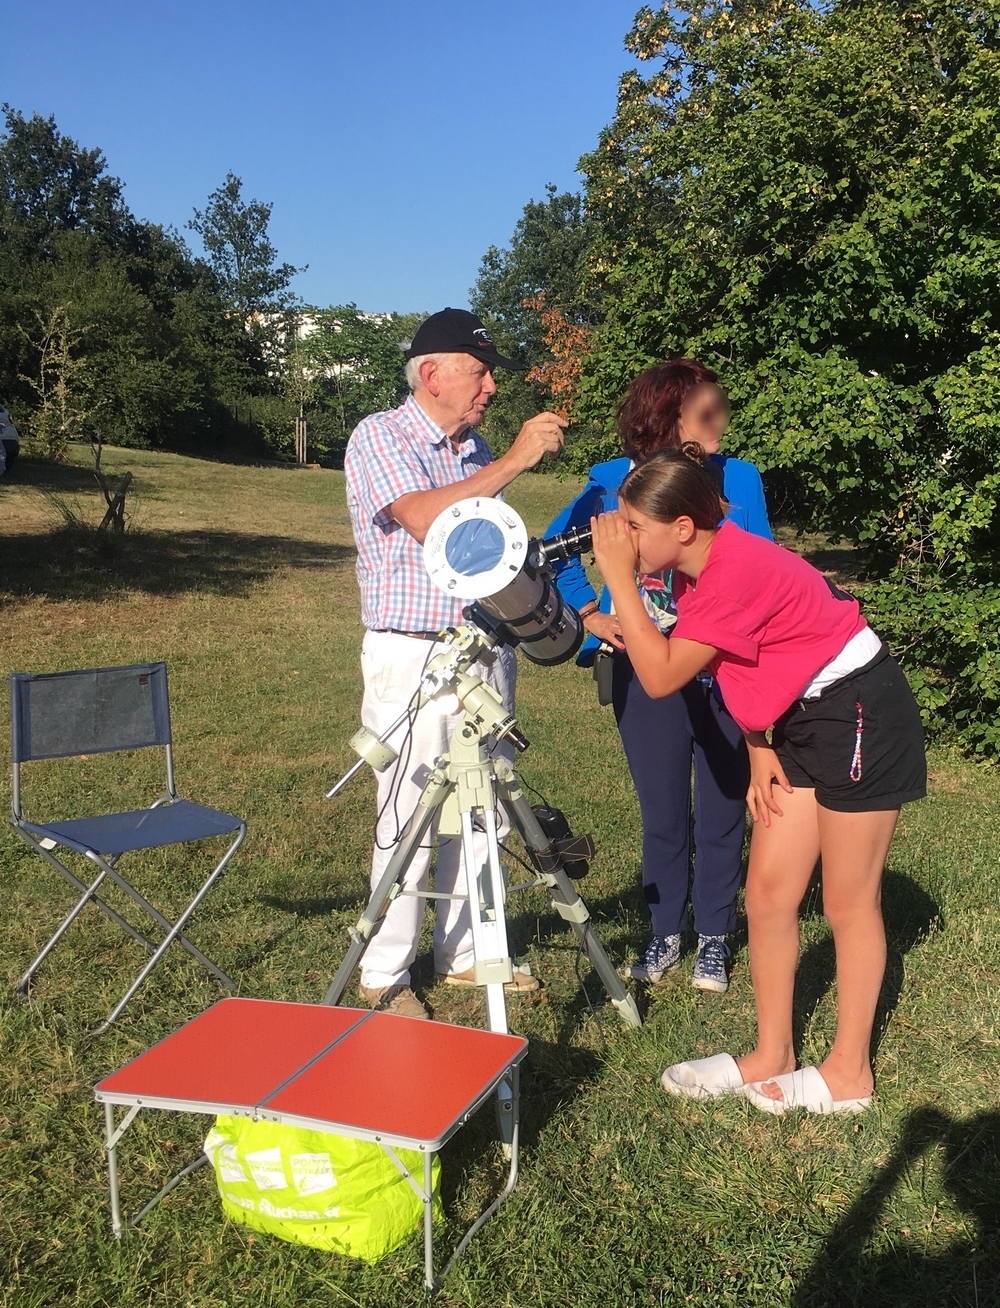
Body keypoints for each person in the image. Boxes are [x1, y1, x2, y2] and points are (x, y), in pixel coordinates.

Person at [590, 445, 926, 1114]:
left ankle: (850, 1074)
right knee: (769, 895)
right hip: (801, 718)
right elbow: (749, 658)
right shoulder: (696, 570)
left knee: (848, 902)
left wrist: (618, 580)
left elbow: (660, 676)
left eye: (634, 527)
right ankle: (773, 1053)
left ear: (682, 527)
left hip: (858, 709)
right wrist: (757, 741)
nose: (622, 538)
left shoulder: (733, 570)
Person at [343, 308, 567, 1019]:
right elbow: (423, 519)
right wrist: (515, 462)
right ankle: (385, 973)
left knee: (483, 806)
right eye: (480, 371)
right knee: (409, 812)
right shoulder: (381, 435)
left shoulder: (475, 450)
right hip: (414, 654)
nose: (492, 386)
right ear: (432, 373)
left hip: (481, 648)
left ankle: (467, 952)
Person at [545, 360, 771, 994]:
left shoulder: (740, 479)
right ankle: (665, 929)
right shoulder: (612, 482)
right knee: (664, 811)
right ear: (667, 415)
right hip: (642, 672)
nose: (721, 419)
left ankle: (715, 934)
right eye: (706, 407)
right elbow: (555, 551)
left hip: (723, 671)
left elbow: (762, 567)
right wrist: (591, 615)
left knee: (725, 806)